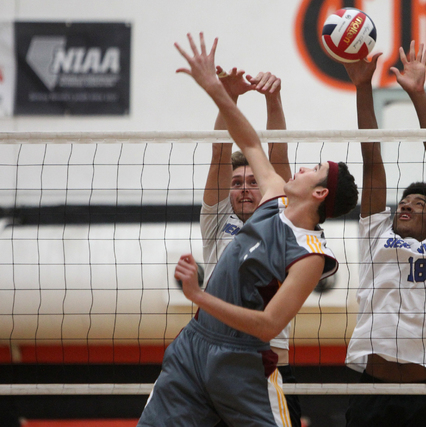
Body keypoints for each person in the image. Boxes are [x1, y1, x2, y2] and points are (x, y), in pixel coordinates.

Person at [137, 33, 358, 427]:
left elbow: (270, 325)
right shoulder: (274, 194)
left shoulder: (311, 255)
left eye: (314, 170)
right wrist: (217, 91)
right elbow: (250, 141)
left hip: (244, 359)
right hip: (194, 344)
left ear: (320, 192)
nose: (302, 169)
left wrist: (200, 296)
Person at [343, 41, 426, 427]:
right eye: (404, 201)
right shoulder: (377, 230)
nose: (407, 205)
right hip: (372, 393)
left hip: (425, 396)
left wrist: (418, 95)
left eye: (419, 203)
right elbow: (371, 160)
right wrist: (364, 87)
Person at [202, 66, 301, 427]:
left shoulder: (280, 220)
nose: (244, 187)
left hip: (269, 361)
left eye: (251, 182)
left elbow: (277, 156)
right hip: (217, 357)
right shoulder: (216, 221)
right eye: (236, 182)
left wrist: (273, 100)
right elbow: (218, 155)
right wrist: (228, 96)